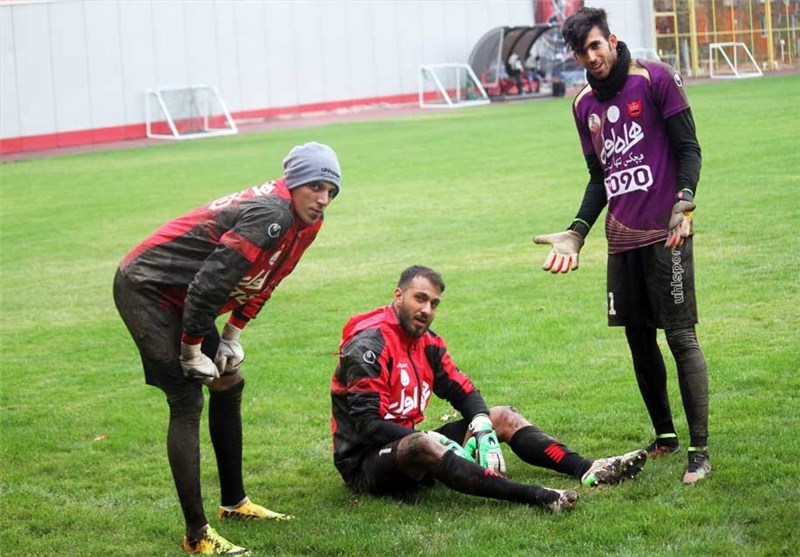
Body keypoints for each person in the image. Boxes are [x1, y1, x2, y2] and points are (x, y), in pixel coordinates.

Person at [114, 142, 342, 555]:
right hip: (148, 287)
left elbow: (271, 276)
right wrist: (191, 350)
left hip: (186, 294)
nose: (323, 199)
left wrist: (234, 333)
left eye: (331, 190)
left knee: (228, 383)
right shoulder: (272, 213)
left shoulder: (306, 221)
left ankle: (234, 504)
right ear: (293, 182)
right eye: (315, 187)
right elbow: (209, 284)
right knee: (187, 398)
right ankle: (196, 535)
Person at [533, 7, 711, 485]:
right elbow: (600, 177)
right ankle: (665, 437)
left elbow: (689, 148)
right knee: (638, 339)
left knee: (680, 337)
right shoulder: (581, 106)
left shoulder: (655, 78)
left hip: (668, 233)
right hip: (622, 239)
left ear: (611, 40)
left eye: (596, 46)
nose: (591, 57)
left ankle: (699, 451)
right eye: (581, 52)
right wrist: (577, 230)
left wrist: (685, 202)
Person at [330, 265, 646, 513]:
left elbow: (463, 391)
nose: (427, 309)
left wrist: (481, 425)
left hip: (406, 446)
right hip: (365, 464)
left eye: (435, 303)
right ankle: (537, 496)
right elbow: (367, 426)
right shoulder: (369, 345)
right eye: (420, 298)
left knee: (502, 416)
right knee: (421, 445)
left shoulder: (427, 343)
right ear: (398, 296)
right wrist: (431, 437)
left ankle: (589, 469)